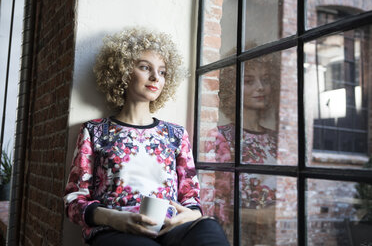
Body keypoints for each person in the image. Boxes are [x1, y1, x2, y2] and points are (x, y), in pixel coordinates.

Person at [64, 28, 230, 246]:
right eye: (145, 67)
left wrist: (190, 215)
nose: (155, 78)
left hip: (171, 228)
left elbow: (191, 198)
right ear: (122, 72)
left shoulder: (176, 134)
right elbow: (75, 201)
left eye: (162, 72)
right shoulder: (94, 131)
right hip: (115, 230)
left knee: (209, 228)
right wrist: (115, 218)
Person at [203, 54, 280, 245]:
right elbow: (216, 206)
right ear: (232, 88)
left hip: (276, 235)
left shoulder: (277, 139)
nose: (260, 87)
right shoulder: (221, 138)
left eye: (265, 80)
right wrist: (259, 215)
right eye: (249, 81)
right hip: (238, 236)